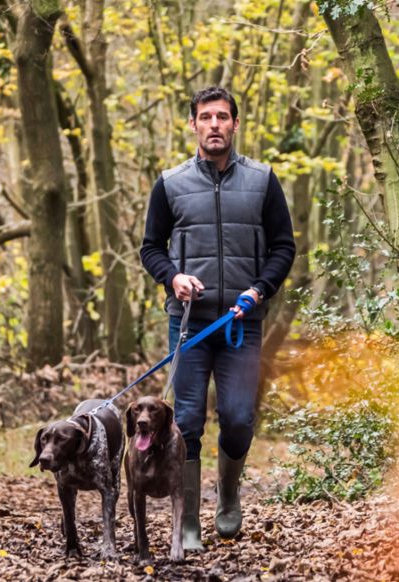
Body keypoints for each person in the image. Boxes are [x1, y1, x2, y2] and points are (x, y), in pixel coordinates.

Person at [140, 86, 296, 546]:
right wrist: (173, 278)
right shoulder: (169, 184)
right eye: (205, 117)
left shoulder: (264, 180)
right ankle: (186, 519)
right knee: (185, 421)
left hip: (240, 325)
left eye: (222, 117)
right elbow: (151, 248)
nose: (214, 124)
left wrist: (259, 289)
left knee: (238, 417)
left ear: (235, 123)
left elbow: (284, 247)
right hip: (188, 324)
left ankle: (228, 496)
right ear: (193, 125)